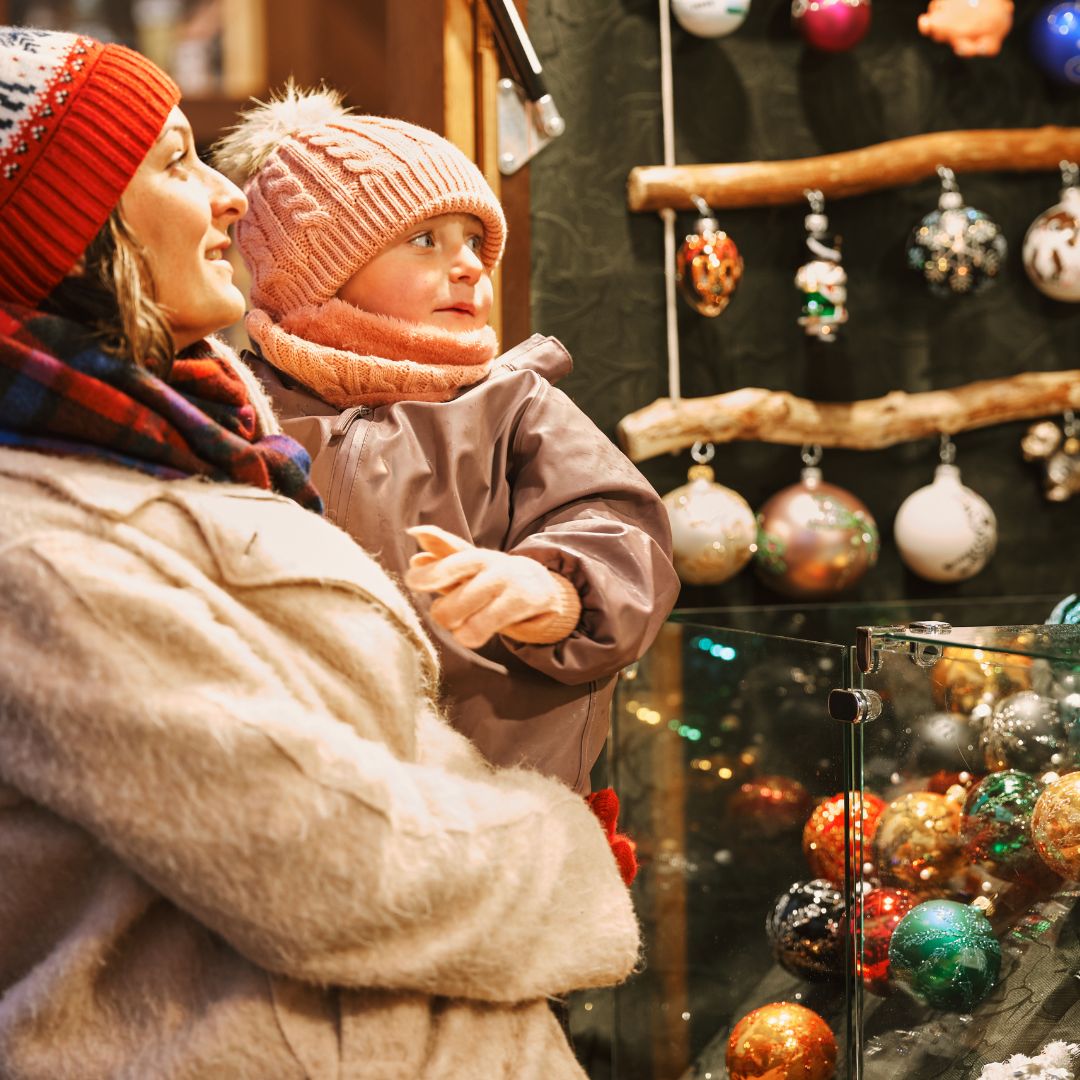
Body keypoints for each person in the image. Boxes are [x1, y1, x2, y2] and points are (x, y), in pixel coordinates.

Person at [0, 27, 639, 1079]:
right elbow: (328, 861)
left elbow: (613, 529)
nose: (229, 198)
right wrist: (562, 851)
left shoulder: (198, 438)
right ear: (72, 233)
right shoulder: (61, 545)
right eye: (172, 163)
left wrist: (555, 587)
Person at [212, 88, 681, 794]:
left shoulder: (513, 403)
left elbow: (620, 531)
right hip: (289, 796)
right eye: (425, 240)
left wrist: (555, 589)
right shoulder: (243, 406)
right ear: (320, 272)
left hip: (502, 807)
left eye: (475, 244)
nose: (468, 266)